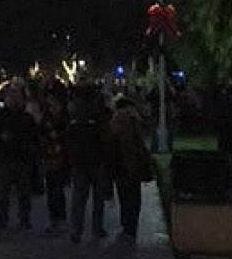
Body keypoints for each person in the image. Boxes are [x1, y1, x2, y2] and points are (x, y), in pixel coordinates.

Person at [67, 86, 112, 243]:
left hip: (80, 160)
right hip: (96, 160)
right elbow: (105, 137)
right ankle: (97, 228)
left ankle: (76, 230)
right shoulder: (98, 114)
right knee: (97, 198)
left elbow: (69, 137)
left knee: (79, 198)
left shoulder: (73, 113)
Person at [0, 86, 39, 230]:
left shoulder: (26, 118)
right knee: (3, 193)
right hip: (5, 159)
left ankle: (24, 219)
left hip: (22, 159)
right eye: (11, 97)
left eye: (17, 97)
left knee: (23, 193)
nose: (14, 100)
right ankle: (2, 219)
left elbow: (33, 136)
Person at [111, 97, 153, 240]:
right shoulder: (135, 120)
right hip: (133, 164)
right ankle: (131, 227)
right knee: (134, 197)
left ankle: (127, 226)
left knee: (124, 197)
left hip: (121, 164)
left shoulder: (117, 120)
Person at [40, 92, 69, 233]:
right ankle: (54, 219)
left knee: (58, 190)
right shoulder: (46, 120)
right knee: (52, 190)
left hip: (61, 159)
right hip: (49, 158)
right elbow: (40, 135)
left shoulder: (64, 120)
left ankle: (61, 218)